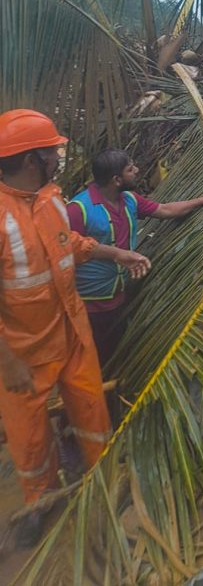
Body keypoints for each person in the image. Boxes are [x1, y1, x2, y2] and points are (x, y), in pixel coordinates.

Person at [0, 110, 150, 547]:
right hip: (22, 352)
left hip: (73, 332)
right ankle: (38, 501)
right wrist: (7, 361)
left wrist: (117, 255)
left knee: (91, 411)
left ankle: (99, 477)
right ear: (33, 159)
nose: (58, 157)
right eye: (52, 151)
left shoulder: (50, 200)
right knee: (29, 436)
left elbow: (72, 245)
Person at [67, 150, 203, 367]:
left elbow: (166, 210)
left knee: (114, 360)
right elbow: (63, 251)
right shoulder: (78, 209)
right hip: (87, 307)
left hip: (119, 300)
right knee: (89, 364)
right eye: (130, 169)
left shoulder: (129, 200)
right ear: (116, 180)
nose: (137, 171)